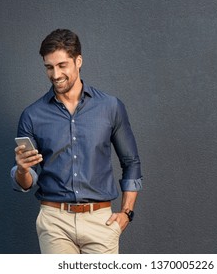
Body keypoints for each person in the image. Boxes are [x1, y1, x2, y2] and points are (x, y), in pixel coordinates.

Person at [10, 29, 142, 254]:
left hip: (100, 220)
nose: (55, 74)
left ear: (78, 61)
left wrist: (126, 213)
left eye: (62, 65)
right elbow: (27, 181)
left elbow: (131, 163)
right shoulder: (32, 115)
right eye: (49, 67)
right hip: (54, 222)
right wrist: (22, 170)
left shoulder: (110, 107)